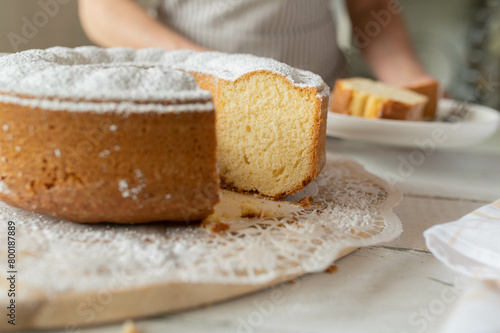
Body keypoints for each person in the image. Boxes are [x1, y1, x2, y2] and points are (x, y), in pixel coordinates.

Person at [78, 0, 436, 89]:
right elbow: (102, 10)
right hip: (195, 95)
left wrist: (410, 84)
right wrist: (214, 67)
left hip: (325, 115)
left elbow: (370, 7)